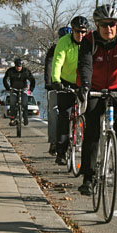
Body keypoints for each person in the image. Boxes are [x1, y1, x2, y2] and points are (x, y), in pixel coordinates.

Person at [76, 4, 117, 195]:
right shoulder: (89, 40)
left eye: (112, 24)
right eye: (104, 25)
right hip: (94, 86)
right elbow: (85, 65)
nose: (109, 29)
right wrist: (85, 87)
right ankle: (88, 178)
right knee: (92, 132)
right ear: (97, 25)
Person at [52, 17, 89, 165]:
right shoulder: (64, 42)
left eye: (83, 32)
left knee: (89, 116)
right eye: (77, 31)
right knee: (65, 116)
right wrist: (56, 80)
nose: (80, 35)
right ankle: (61, 152)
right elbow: (57, 61)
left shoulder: (90, 42)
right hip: (66, 81)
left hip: (84, 82)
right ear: (72, 30)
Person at [46, 26, 73, 156]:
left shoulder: (75, 47)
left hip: (73, 83)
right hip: (57, 85)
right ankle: (54, 142)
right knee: (53, 112)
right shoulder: (54, 50)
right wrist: (50, 83)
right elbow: (50, 65)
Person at [3, 58, 36, 126]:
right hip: (14, 89)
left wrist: (31, 89)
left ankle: (25, 117)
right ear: (15, 66)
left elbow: (32, 80)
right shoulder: (11, 71)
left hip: (23, 89)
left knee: (24, 102)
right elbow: (5, 79)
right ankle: (12, 118)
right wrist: (7, 88)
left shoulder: (26, 71)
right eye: (17, 66)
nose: (18, 68)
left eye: (20, 66)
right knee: (12, 102)